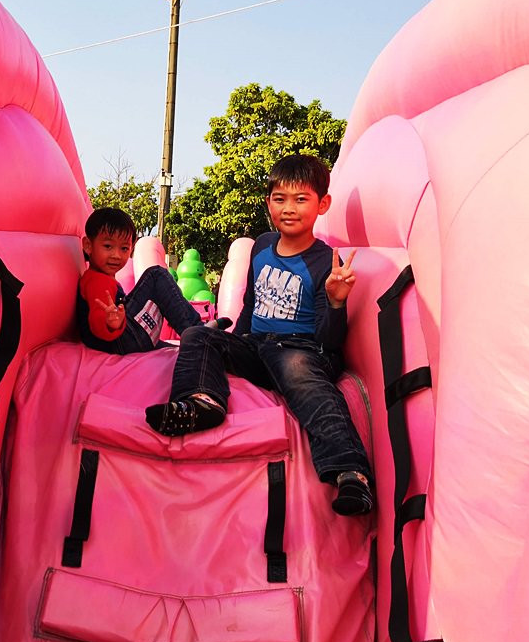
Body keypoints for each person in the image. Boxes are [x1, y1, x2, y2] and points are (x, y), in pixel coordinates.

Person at [144, 155, 374, 516]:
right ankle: (202, 403)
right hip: (259, 346)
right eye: (280, 198)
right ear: (268, 203)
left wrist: (334, 301)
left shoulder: (325, 261)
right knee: (198, 335)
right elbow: (252, 305)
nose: (289, 208)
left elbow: (330, 341)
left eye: (301, 199)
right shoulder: (263, 246)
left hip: (302, 349)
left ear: (322, 204)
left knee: (300, 371)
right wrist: (232, 341)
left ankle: (350, 472)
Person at [77, 207, 228, 355]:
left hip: (122, 338)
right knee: (155, 275)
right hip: (119, 341)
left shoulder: (102, 278)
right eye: (108, 246)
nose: (116, 255)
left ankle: (212, 345)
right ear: (88, 245)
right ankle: (197, 330)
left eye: (124, 248)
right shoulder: (97, 281)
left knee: (172, 349)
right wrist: (109, 324)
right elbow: (97, 318)